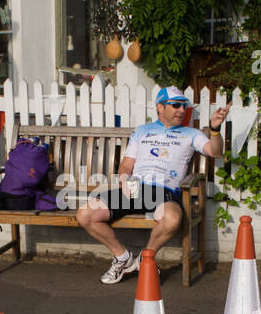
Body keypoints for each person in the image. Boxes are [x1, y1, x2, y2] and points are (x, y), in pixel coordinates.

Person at [75, 87, 229, 284]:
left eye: (183, 106)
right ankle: (123, 258)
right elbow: (126, 165)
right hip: (135, 186)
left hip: (165, 191)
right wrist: (124, 180)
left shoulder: (190, 133)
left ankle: (146, 258)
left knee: (172, 219)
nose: (181, 110)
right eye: (175, 106)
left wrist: (215, 129)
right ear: (160, 107)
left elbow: (215, 152)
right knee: (85, 214)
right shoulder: (142, 131)